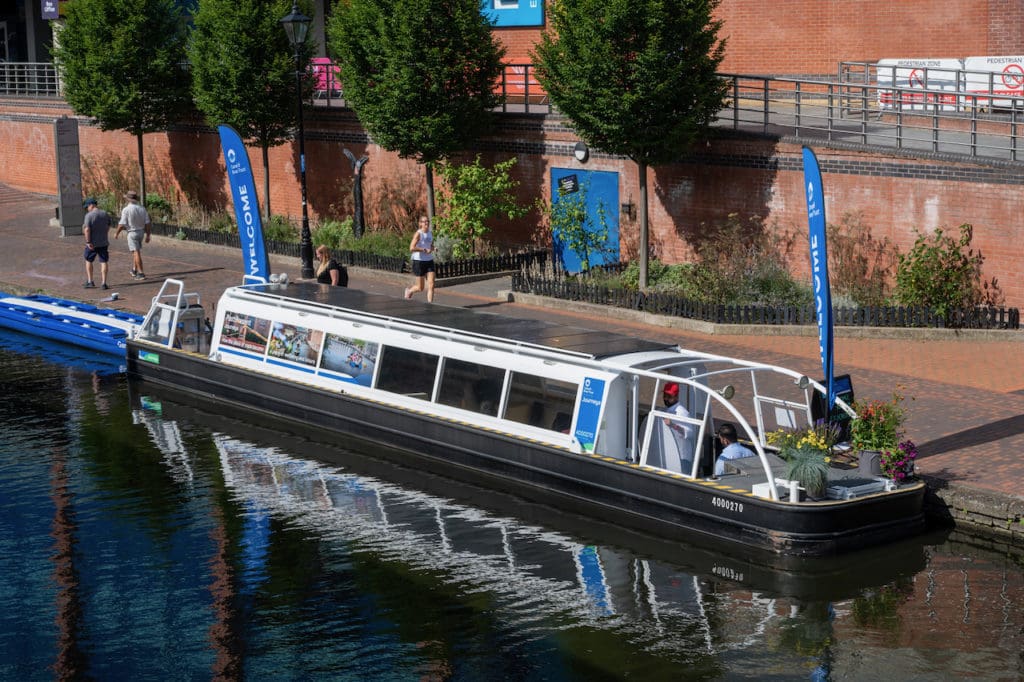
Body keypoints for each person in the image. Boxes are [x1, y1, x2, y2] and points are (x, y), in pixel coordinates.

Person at [114, 190, 151, 280]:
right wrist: (148, 235)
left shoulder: (126, 209)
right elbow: (147, 222)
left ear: (128, 199)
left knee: (136, 252)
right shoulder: (142, 208)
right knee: (136, 251)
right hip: (141, 232)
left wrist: (117, 233)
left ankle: (141, 273)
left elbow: (122, 223)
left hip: (132, 232)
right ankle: (134, 270)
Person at [661, 382, 694, 472]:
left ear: (676, 396)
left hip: (682, 457)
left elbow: (690, 433)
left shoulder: (682, 412)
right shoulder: (667, 410)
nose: (665, 399)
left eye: (669, 396)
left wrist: (673, 425)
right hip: (671, 454)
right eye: (665, 395)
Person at [81, 197, 112, 290]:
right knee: (104, 261)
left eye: (87, 207)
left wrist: (88, 242)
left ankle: (90, 281)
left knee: (88, 260)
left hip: (93, 243)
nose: (87, 209)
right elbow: (108, 226)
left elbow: (87, 229)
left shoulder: (89, 216)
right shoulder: (105, 214)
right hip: (103, 242)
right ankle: (104, 283)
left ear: (91, 205)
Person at [404, 215, 435, 302]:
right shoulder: (418, 234)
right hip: (419, 261)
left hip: (429, 260)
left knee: (431, 284)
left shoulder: (430, 233)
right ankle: (409, 291)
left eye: (427, 221)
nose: (426, 223)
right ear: (420, 223)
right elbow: (411, 248)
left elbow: (430, 245)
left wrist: (433, 248)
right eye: (424, 221)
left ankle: (430, 305)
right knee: (420, 288)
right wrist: (424, 250)